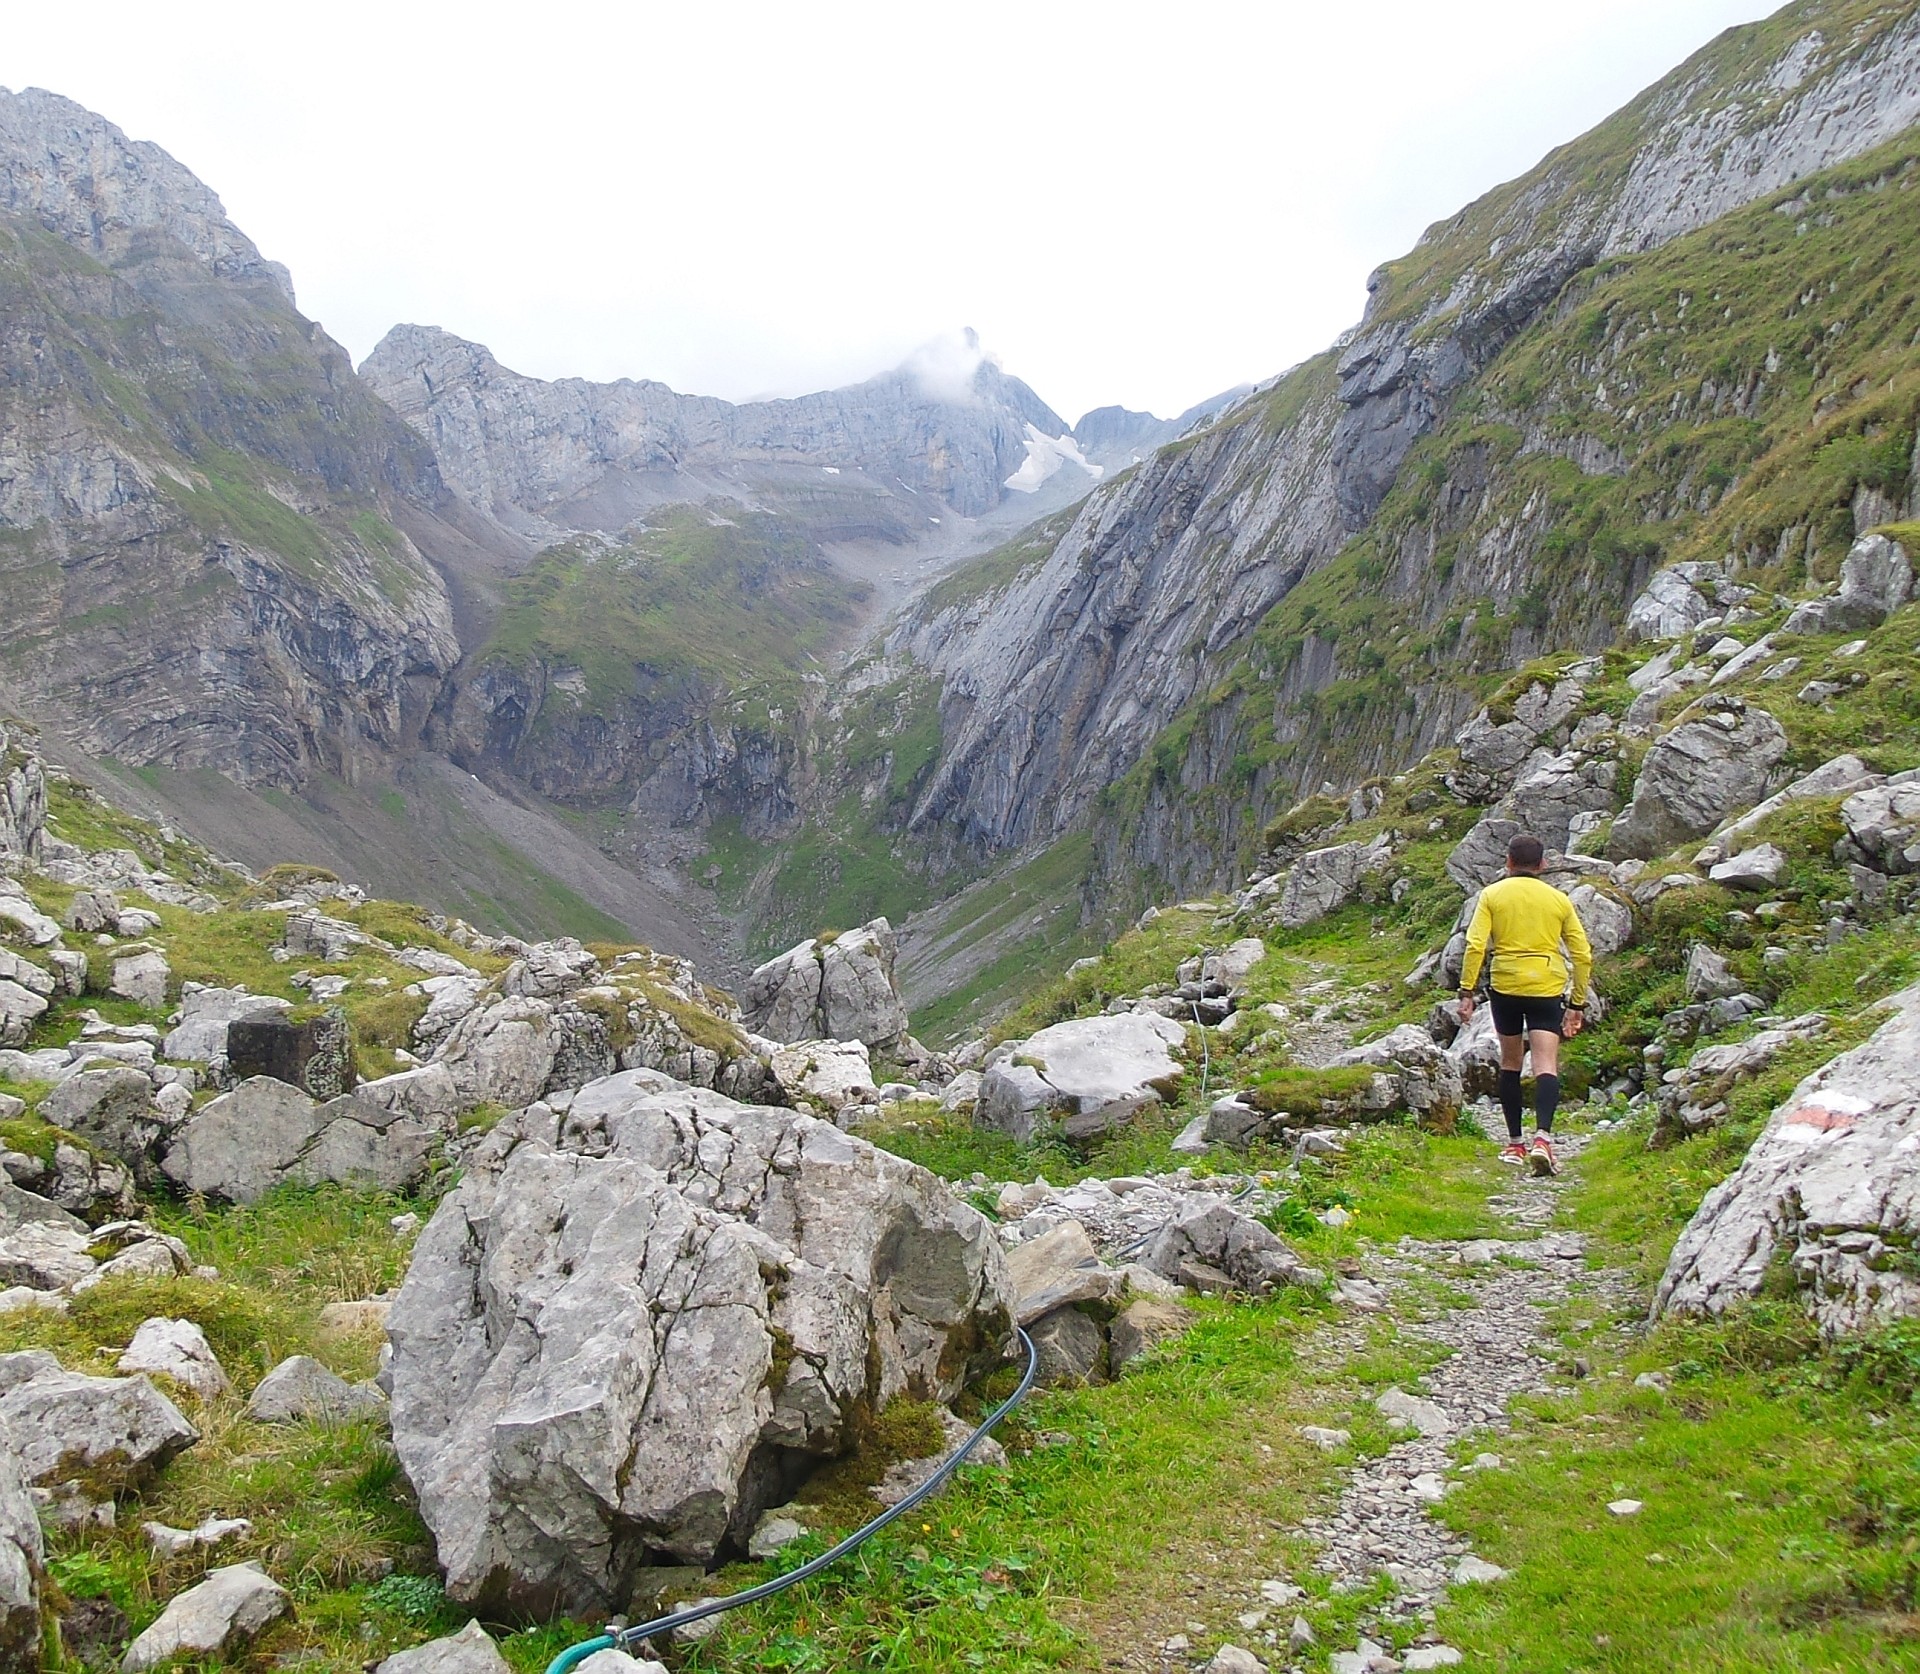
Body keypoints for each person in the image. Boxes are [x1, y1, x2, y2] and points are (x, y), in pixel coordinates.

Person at [1456, 832, 1593, 1177]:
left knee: (1512, 1061)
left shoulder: (1492, 895)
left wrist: (1466, 992)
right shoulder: (1559, 900)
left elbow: (1475, 945)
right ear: (1543, 864)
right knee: (1546, 1062)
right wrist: (1577, 1003)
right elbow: (1582, 954)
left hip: (1506, 984)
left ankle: (1516, 1142)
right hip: (1546, 985)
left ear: (1508, 862)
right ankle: (1543, 1138)